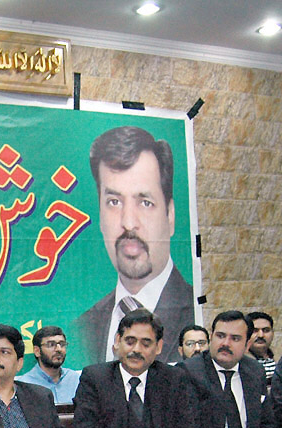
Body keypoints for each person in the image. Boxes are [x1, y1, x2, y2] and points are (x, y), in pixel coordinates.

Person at [75, 125, 195, 365]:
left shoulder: (192, 310)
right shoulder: (84, 326)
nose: (128, 222)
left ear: (170, 215)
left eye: (145, 202)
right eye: (114, 202)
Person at [70, 308, 200, 428]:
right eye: (130, 341)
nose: (136, 350)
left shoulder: (173, 378)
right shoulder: (95, 379)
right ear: (117, 341)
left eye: (146, 344)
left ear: (158, 347)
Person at [181, 310, 275, 428]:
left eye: (235, 338)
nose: (225, 343)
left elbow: (267, 423)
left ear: (247, 344)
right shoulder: (189, 372)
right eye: (220, 336)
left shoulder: (255, 371)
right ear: (211, 337)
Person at [16, 325, 81, 404]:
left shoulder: (76, 379)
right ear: (37, 351)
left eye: (62, 344)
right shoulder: (24, 385)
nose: (58, 349)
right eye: (51, 344)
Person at [247, 311, 277, 382]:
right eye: (255, 331)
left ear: (273, 333)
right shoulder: (240, 362)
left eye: (266, 330)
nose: (261, 335)